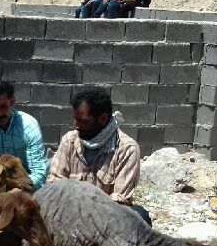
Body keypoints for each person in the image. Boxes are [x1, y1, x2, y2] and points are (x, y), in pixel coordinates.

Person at [48, 87, 150, 225]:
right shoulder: (70, 140)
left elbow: (119, 201)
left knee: (140, 216)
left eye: (82, 121)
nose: (75, 125)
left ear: (102, 119)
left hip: (105, 222)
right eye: (75, 119)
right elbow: (55, 182)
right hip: (68, 215)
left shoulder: (127, 149)